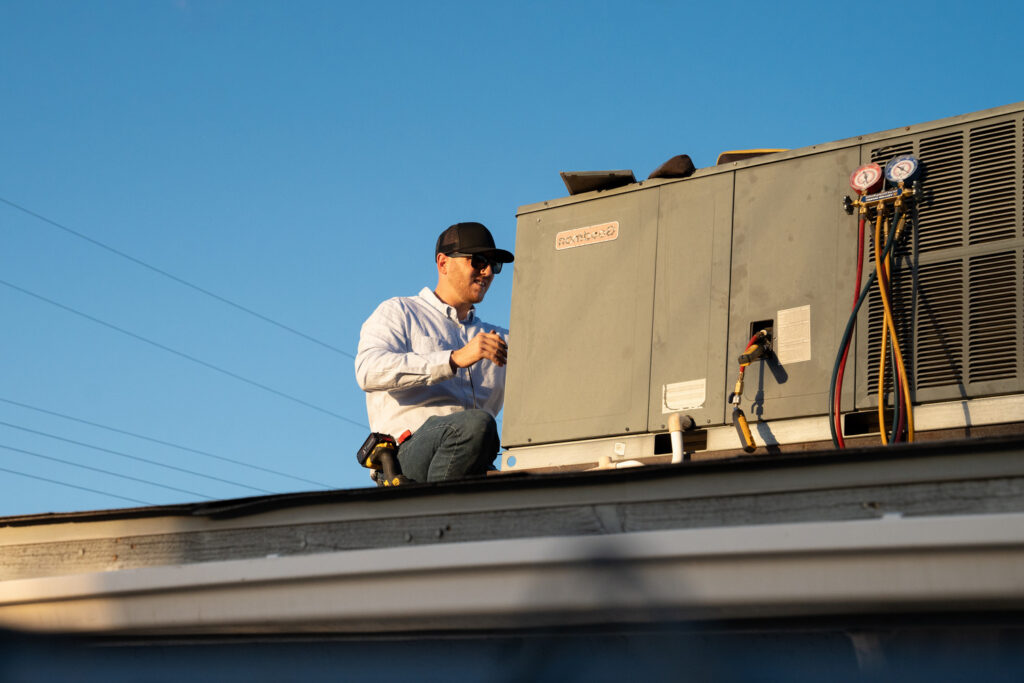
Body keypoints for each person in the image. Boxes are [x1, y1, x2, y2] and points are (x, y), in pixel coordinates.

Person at [355, 222, 514, 482]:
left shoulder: (499, 338)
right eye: (478, 261)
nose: (487, 272)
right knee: (476, 425)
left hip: (474, 459)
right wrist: (452, 359)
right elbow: (368, 370)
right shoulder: (400, 312)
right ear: (443, 263)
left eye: (494, 265)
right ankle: (434, 503)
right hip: (405, 458)